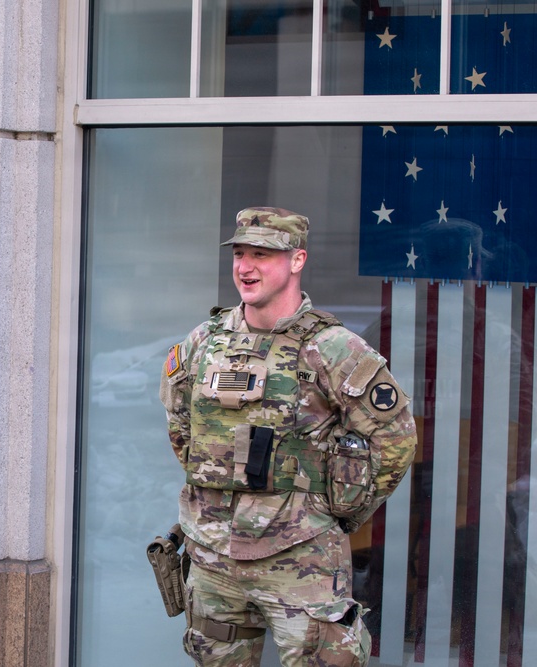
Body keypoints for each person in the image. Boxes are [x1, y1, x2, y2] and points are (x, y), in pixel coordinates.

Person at [159, 207, 417, 666]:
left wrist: (339, 513)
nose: (246, 266)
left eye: (263, 254)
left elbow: (394, 441)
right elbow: (181, 426)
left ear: (297, 260)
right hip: (214, 560)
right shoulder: (203, 342)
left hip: (300, 560)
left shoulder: (333, 349)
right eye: (240, 253)